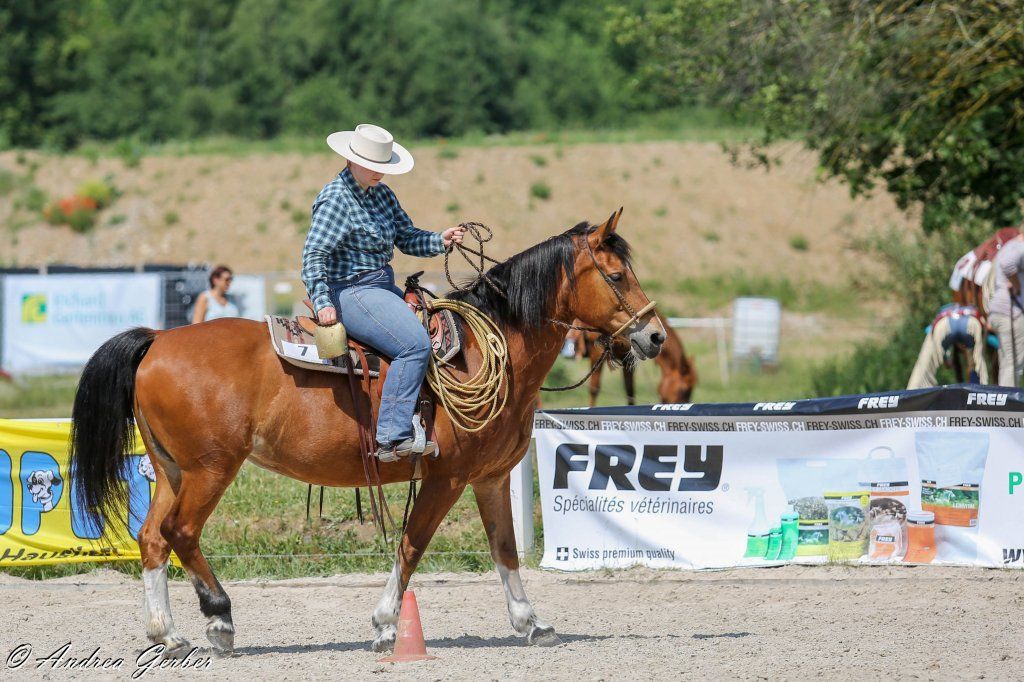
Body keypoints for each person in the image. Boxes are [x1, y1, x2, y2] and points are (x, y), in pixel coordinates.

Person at [301, 123, 466, 463]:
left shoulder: (384, 195)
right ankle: (392, 436)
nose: (379, 172)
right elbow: (314, 256)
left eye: (383, 166)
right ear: (353, 160)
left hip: (380, 286)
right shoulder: (335, 199)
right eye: (374, 166)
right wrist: (321, 302)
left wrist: (440, 240)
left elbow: (406, 237)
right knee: (414, 345)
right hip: (350, 289)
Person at [907, 304, 989, 389]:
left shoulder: (942, 313)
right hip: (972, 322)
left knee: (924, 363)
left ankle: (913, 392)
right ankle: (984, 389)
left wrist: (946, 358)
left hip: (944, 323)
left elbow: (929, 331)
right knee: (979, 361)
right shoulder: (972, 310)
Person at [987, 228, 1024, 386]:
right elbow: (1007, 264)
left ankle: (1003, 403)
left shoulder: (1010, 245)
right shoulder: (1021, 247)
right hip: (1011, 312)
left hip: (997, 311)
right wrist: (1017, 287)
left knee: (1006, 361)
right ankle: (1009, 406)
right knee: (1014, 363)